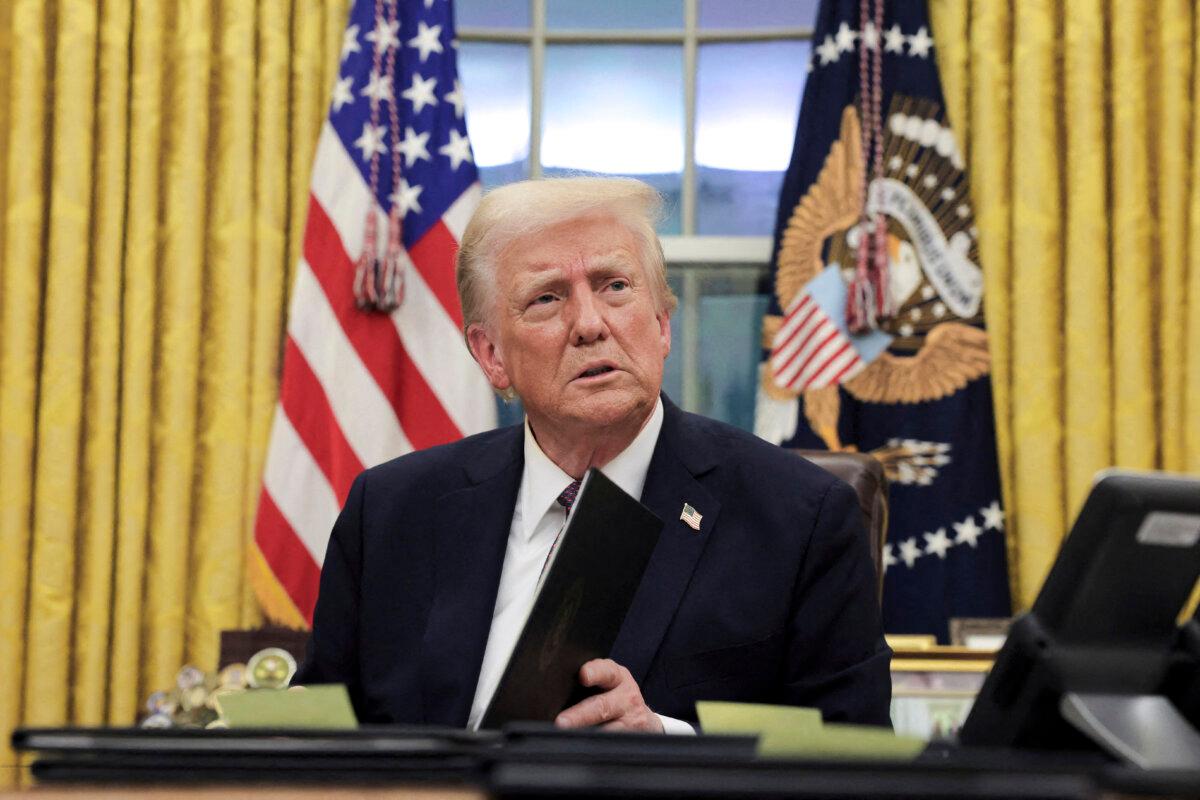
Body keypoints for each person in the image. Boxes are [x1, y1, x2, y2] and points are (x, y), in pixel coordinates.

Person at [295, 177, 892, 733]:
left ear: (662, 323)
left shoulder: (799, 518)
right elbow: (314, 740)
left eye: (614, 286)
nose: (589, 324)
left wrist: (668, 745)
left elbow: (847, 751)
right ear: (491, 355)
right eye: (546, 298)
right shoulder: (391, 514)